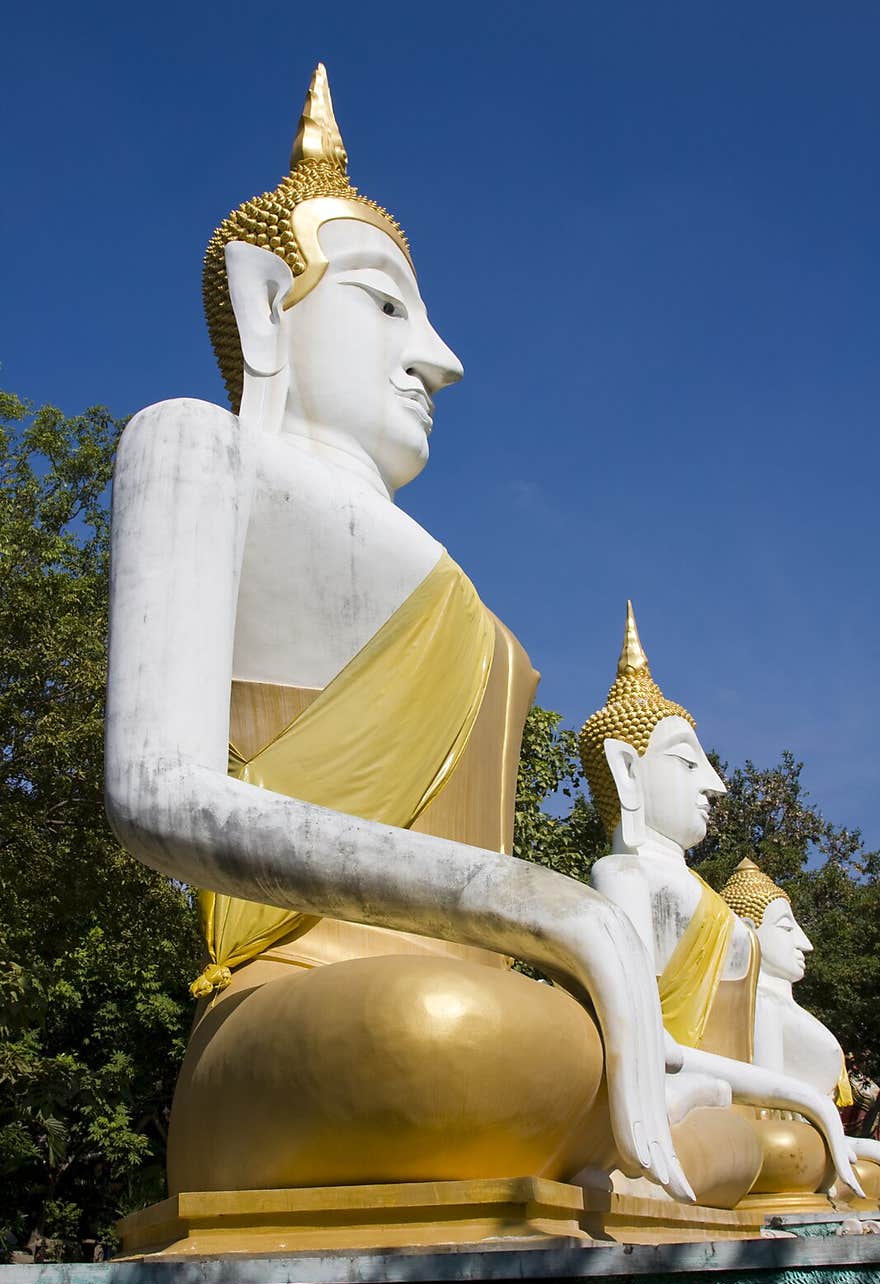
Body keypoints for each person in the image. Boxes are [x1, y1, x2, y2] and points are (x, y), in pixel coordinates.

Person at [104, 64, 695, 1216]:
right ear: (268, 295)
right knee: (437, 1030)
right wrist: (552, 907)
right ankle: (605, 1129)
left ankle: (633, 1137)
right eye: (386, 305)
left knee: (709, 1106)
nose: (441, 357)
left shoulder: (450, 578)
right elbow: (151, 791)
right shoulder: (195, 447)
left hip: (498, 1007)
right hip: (314, 1011)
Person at [579, 603, 863, 1205]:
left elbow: (760, 1066)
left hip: (737, 1116)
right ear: (628, 773)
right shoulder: (624, 876)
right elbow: (649, 1049)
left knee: (784, 1151)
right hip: (668, 1109)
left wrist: (796, 1104)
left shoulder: (714, 908)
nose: (716, 782)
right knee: (756, 1151)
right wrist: (809, 1100)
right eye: (688, 762)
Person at [721, 858, 880, 1197]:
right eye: (787, 927)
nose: (805, 942)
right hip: (787, 1144)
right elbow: (766, 1106)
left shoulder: (778, 1003)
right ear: (748, 928)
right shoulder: (760, 1004)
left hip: (815, 1138)